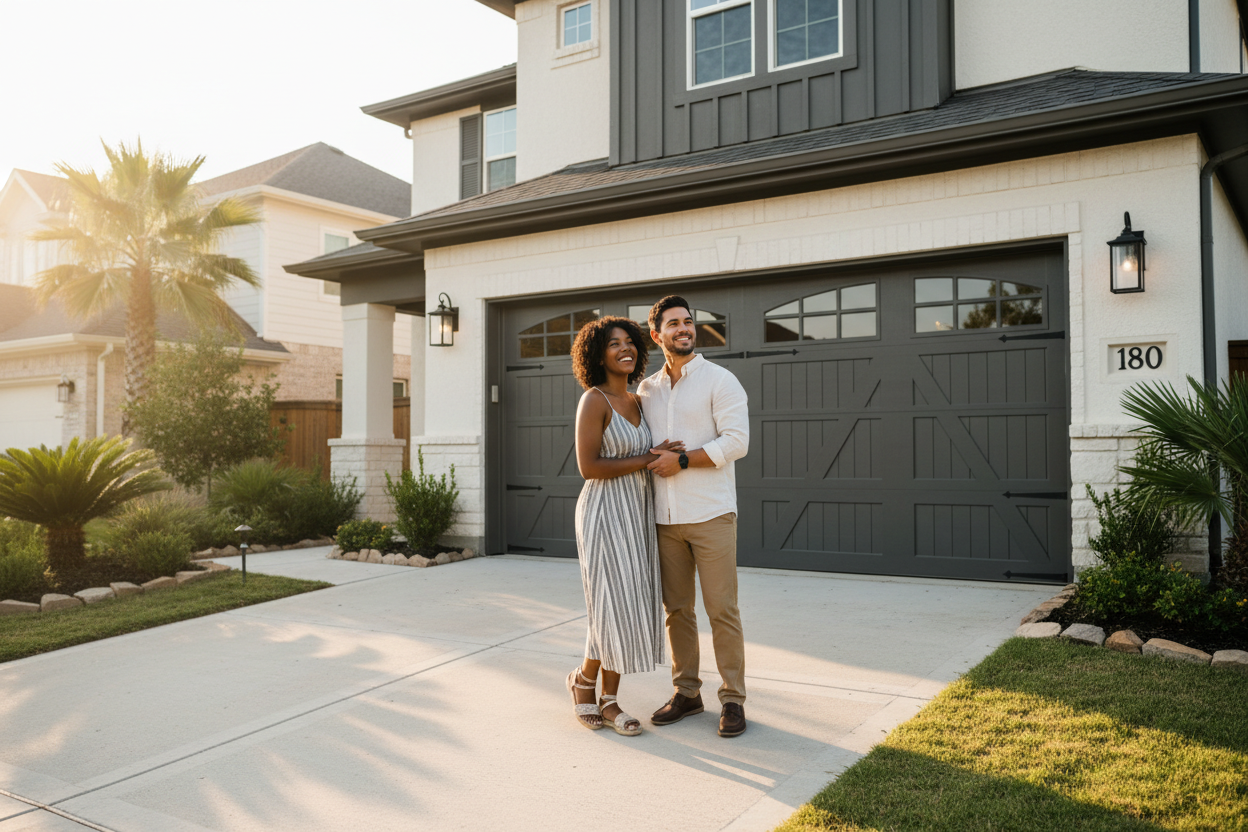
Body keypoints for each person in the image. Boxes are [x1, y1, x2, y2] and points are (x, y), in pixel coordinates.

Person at [637, 296, 751, 738]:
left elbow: (737, 441)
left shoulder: (720, 380)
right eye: (673, 323)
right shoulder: (647, 390)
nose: (683, 328)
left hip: (711, 514)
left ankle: (733, 699)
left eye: (688, 322)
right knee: (677, 611)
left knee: (722, 609)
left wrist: (682, 462)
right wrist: (655, 453)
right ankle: (686, 692)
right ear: (657, 334)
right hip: (665, 518)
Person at [566, 315, 684, 735]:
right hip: (601, 513)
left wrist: (664, 454)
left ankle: (603, 694)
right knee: (608, 605)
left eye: (629, 343)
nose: (624, 349)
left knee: (628, 602)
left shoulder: (638, 401)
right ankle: (588, 687)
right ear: (598, 354)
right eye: (614, 344)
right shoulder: (594, 400)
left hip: (636, 511)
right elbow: (588, 466)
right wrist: (649, 458)